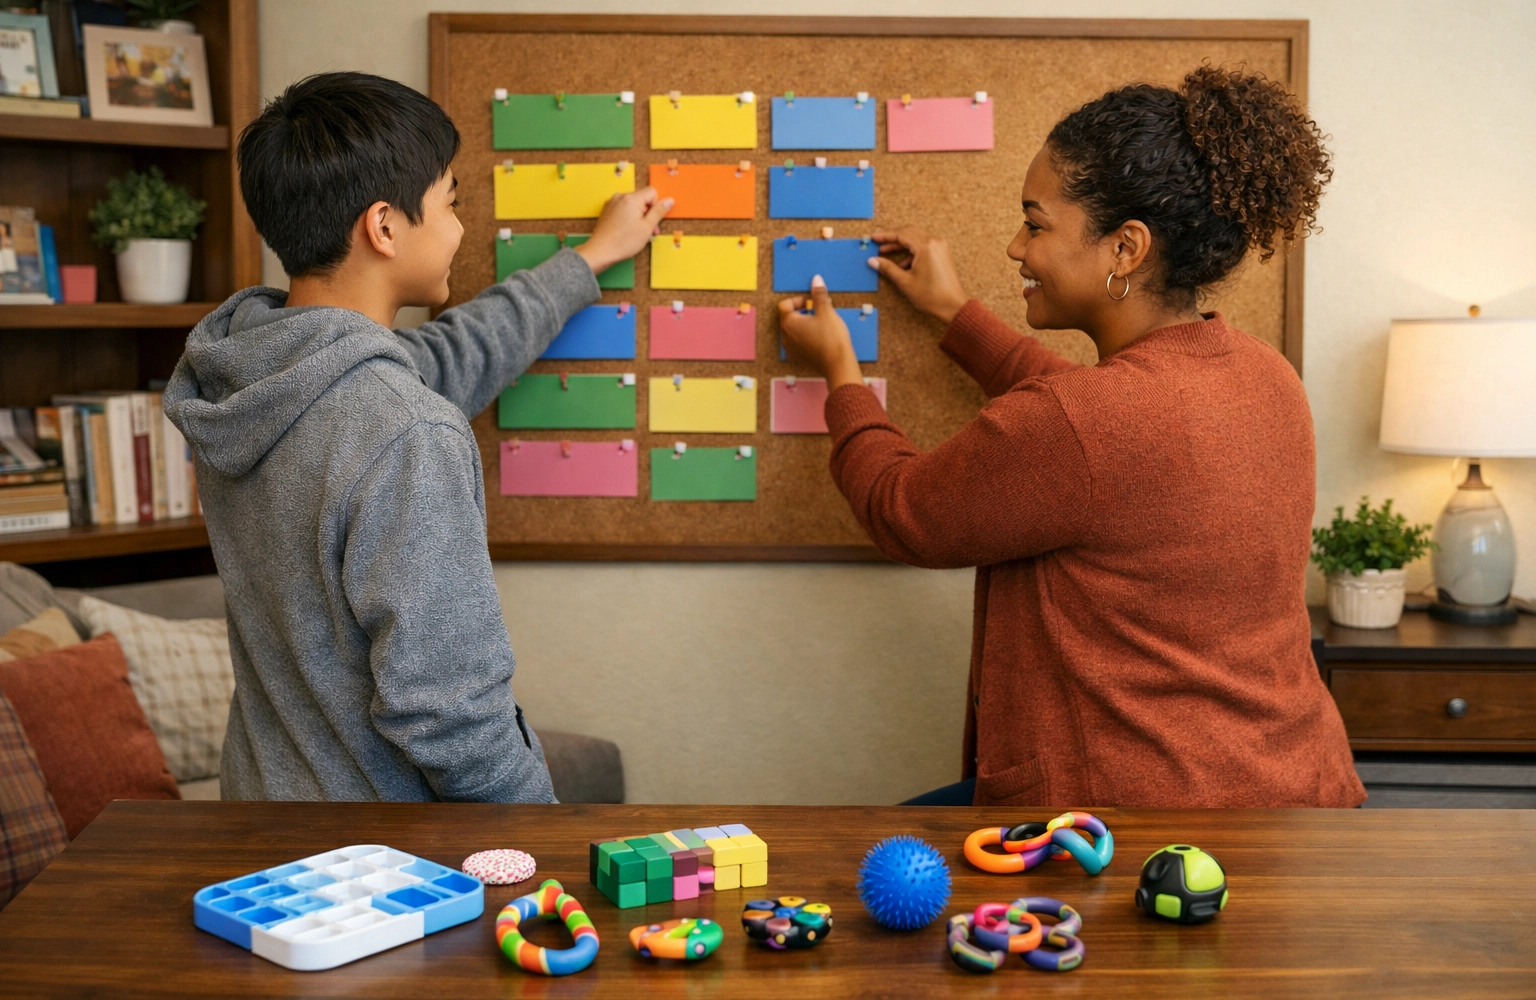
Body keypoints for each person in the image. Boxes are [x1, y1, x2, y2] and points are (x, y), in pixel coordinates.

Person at [780, 66, 1366, 809]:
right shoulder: (1264, 377)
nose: (1014, 248)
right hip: (1293, 795)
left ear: (1125, 248)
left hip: (1135, 833)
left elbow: (904, 509)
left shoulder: (1089, 420)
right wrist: (957, 314)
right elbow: (1093, 432)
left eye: (1036, 222)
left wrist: (839, 371)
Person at [164, 72, 670, 802]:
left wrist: (588, 259)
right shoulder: (404, 431)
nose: (462, 227)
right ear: (385, 226)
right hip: (382, 872)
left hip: (260, 832)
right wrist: (540, 840)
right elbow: (449, 713)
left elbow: (457, 351)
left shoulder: (253, 380)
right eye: (451, 203)